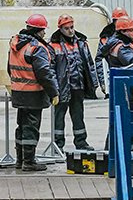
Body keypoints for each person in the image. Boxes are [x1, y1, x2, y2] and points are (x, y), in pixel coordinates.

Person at [7, 13, 60, 172]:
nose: (44, 33)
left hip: (18, 92)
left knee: (21, 126)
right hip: (33, 93)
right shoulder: (37, 48)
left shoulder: (15, 44)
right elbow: (44, 73)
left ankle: (20, 160)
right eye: (43, 30)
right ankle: (29, 162)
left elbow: (9, 68)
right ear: (38, 30)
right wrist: (53, 92)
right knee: (31, 128)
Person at [49, 15, 98, 152]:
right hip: (62, 87)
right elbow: (51, 69)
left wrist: (93, 84)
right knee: (59, 116)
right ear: (60, 29)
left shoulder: (81, 43)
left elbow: (89, 64)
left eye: (72, 27)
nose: (70, 31)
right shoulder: (53, 45)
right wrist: (53, 88)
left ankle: (81, 141)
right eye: (67, 28)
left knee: (78, 115)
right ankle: (58, 145)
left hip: (78, 86)